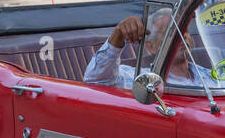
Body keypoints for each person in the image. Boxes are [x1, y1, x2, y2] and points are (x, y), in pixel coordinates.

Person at [83, 9, 213, 88]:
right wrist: (117, 36)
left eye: (184, 29)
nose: (182, 35)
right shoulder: (143, 81)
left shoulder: (210, 75)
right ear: (151, 46)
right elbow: (96, 80)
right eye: (171, 31)